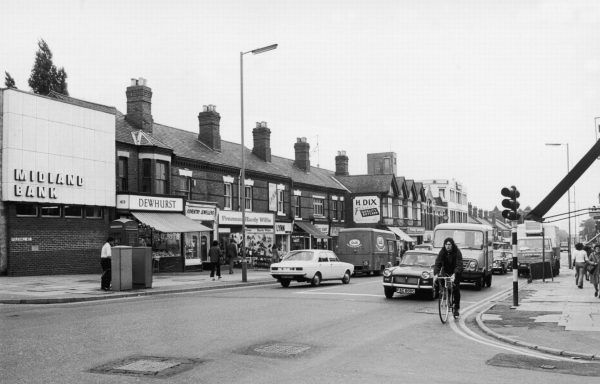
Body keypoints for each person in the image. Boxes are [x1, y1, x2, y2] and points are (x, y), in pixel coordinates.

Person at [433, 237, 463, 317]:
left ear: (452, 245)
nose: (447, 246)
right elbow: (438, 263)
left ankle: (456, 308)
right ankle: (445, 292)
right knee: (441, 280)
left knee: (456, 289)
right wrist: (435, 274)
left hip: (455, 272)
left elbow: (459, 265)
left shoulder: (457, 252)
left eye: (449, 244)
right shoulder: (442, 251)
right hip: (445, 271)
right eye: (446, 244)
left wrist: (455, 274)